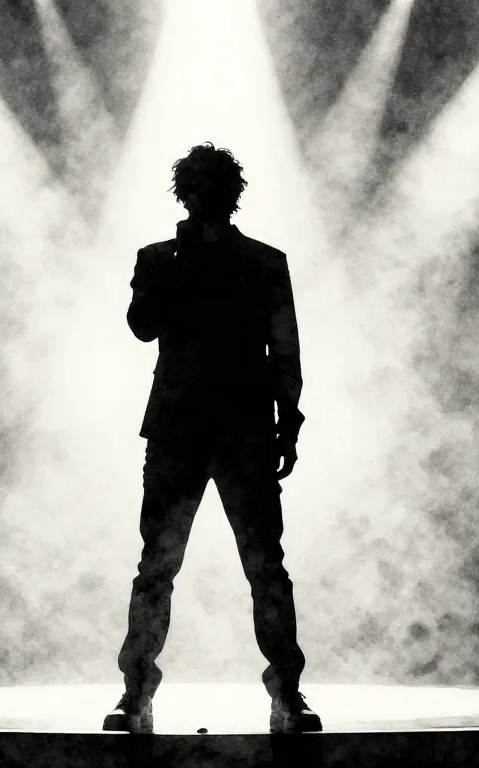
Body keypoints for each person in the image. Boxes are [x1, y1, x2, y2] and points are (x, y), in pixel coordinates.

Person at [103, 143, 321, 734]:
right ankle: (136, 691)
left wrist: (288, 419)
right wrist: (173, 272)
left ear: (230, 194)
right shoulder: (160, 258)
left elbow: (285, 348)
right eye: (199, 187)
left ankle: (286, 690)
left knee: (263, 564)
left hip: (241, 429)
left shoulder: (264, 262)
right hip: (181, 429)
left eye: (215, 186)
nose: (208, 197)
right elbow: (141, 326)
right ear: (187, 194)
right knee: (160, 562)